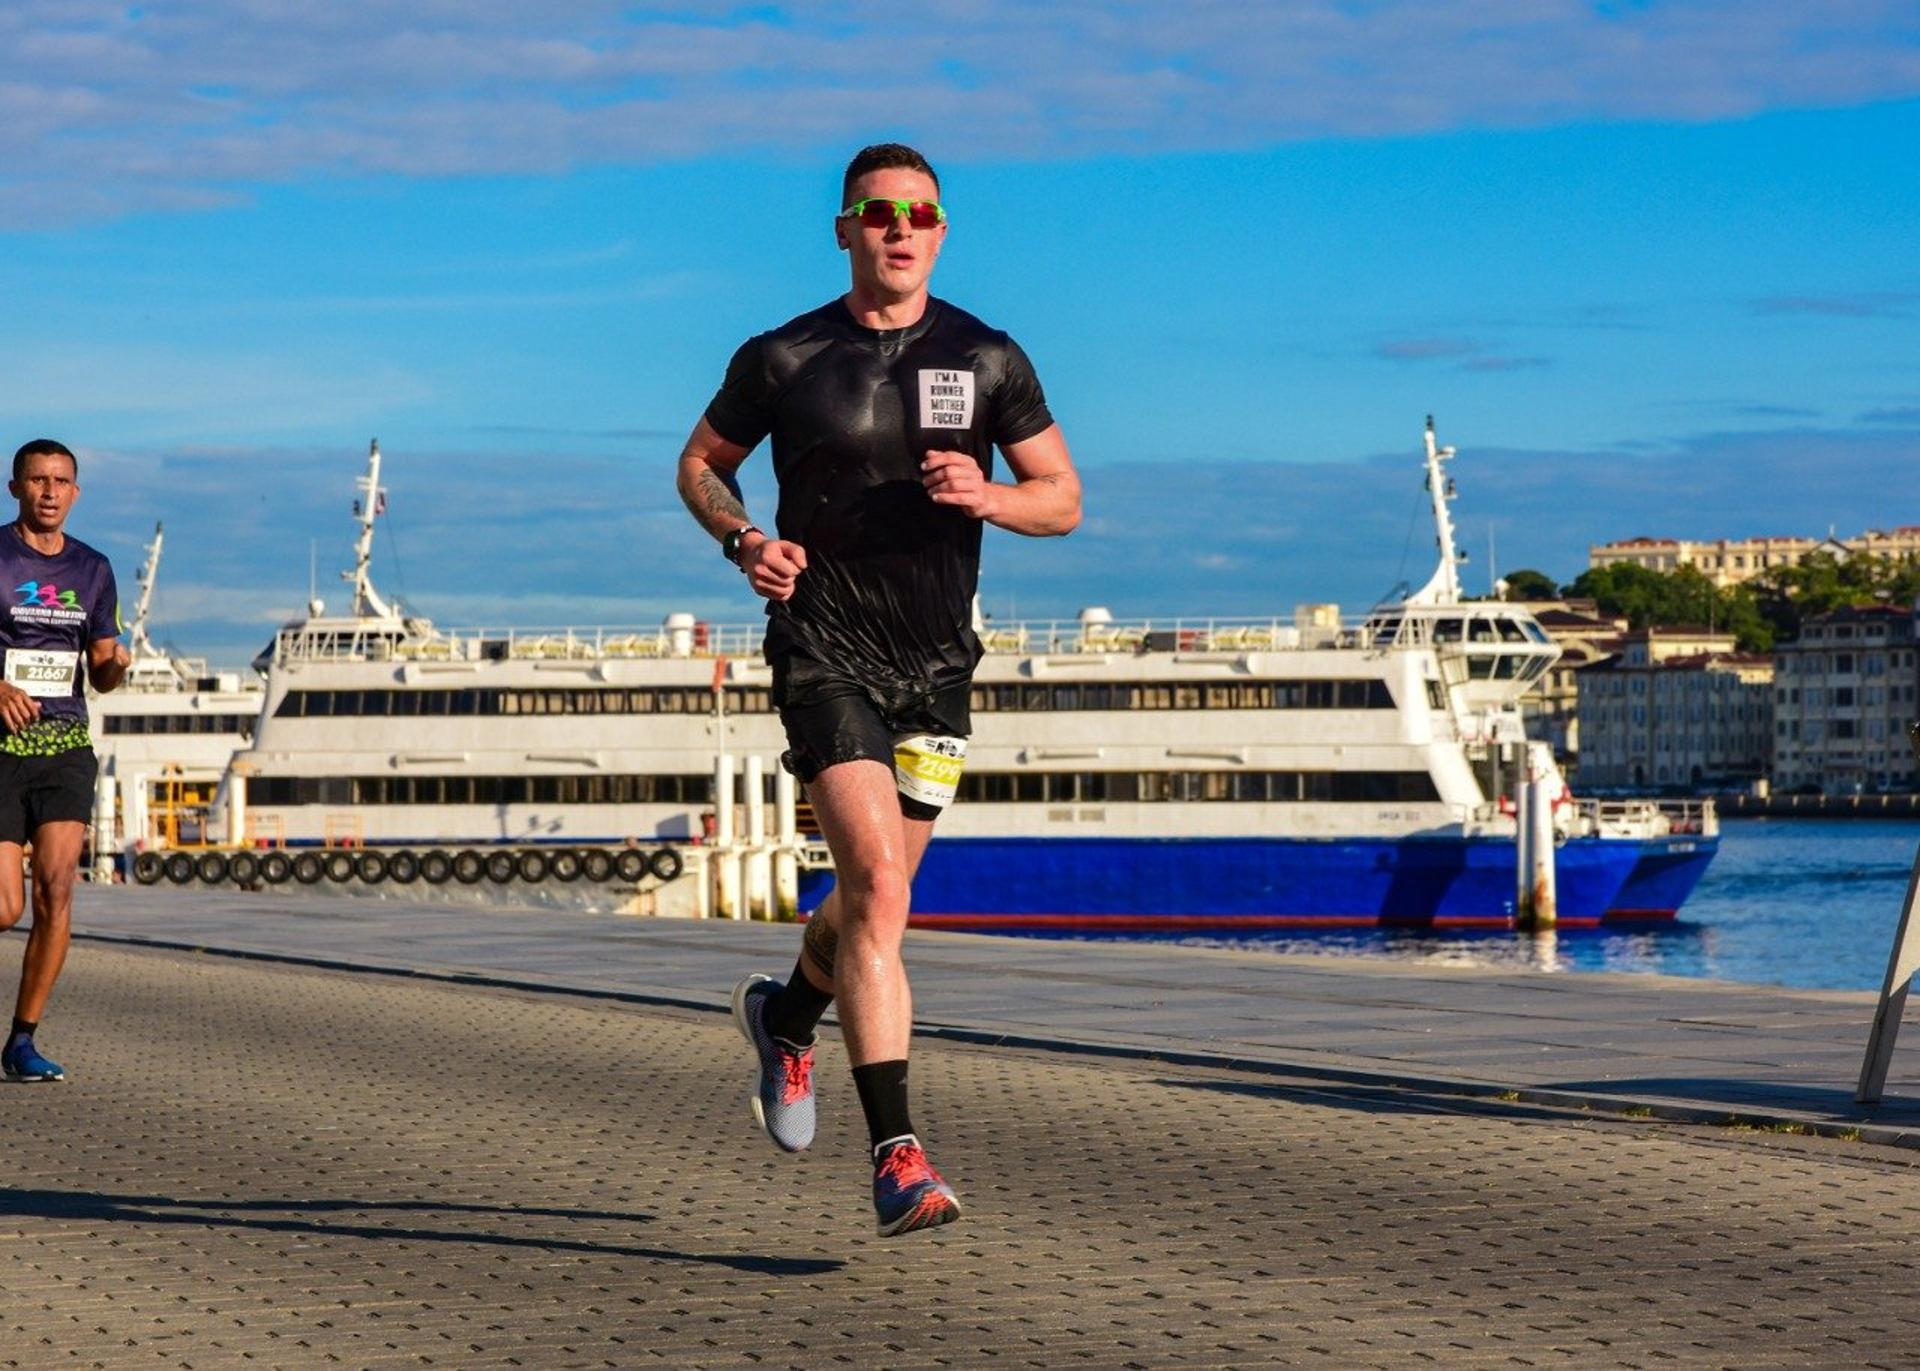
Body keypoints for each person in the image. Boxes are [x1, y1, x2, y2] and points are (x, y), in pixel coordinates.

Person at [676, 143, 1081, 1235]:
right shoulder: (785, 355)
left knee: (870, 904)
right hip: (823, 648)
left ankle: (786, 1016)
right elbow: (700, 463)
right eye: (878, 212)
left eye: (920, 212)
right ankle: (899, 1155)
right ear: (846, 229)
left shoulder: (989, 357)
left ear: (942, 231)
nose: (900, 228)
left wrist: (993, 498)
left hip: (938, 666)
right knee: (878, 891)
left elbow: (1064, 499)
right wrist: (743, 540)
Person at [0, 439, 130, 1082]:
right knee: (4, 908)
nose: (50, 492)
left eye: (61, 481)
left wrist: (113, 665)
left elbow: (102, 671)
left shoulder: (94, 568)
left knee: (56, 891)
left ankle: (22, 1040)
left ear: (75, 492)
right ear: (15, 487)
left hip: (65, 747)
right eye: (38, 480)